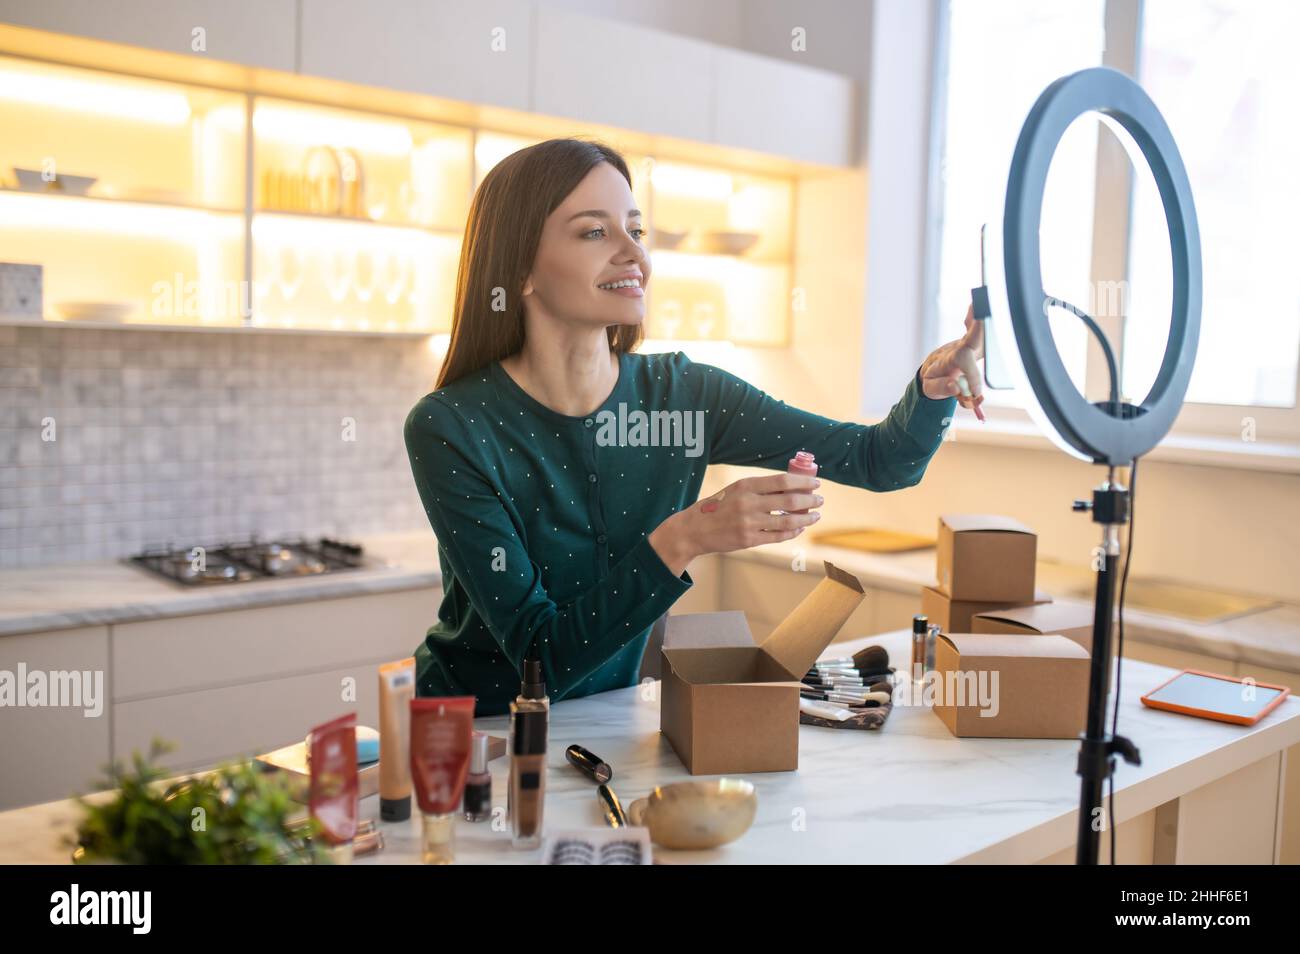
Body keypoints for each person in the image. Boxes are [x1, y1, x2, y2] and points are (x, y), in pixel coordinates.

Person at [403, 138, 984, 715]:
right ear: (519, 270)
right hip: (474, 739)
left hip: (607, 719)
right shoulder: (451, 427)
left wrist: (932, 392)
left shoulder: (687, 397)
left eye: (636, 230)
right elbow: (540, 660)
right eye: (593, 231)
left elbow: (880, 461)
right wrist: (690, 535)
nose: (633, 253)